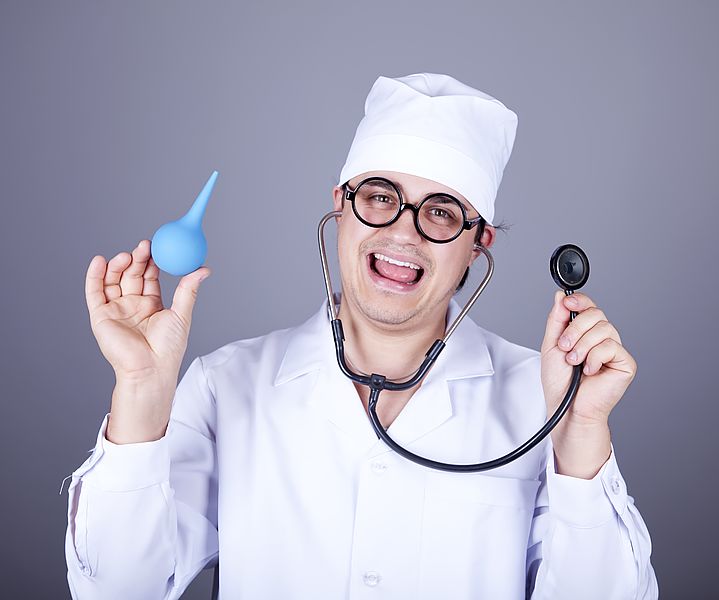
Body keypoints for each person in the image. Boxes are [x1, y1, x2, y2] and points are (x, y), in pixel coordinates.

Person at [64, 72, 659, 599]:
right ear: (340, 209)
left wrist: (580, 433)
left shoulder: (544, 401)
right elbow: (117, 588)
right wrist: (140, 390)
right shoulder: (227, 386)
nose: (404, 232)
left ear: (478, 245)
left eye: (442, 212)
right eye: (379, 198)